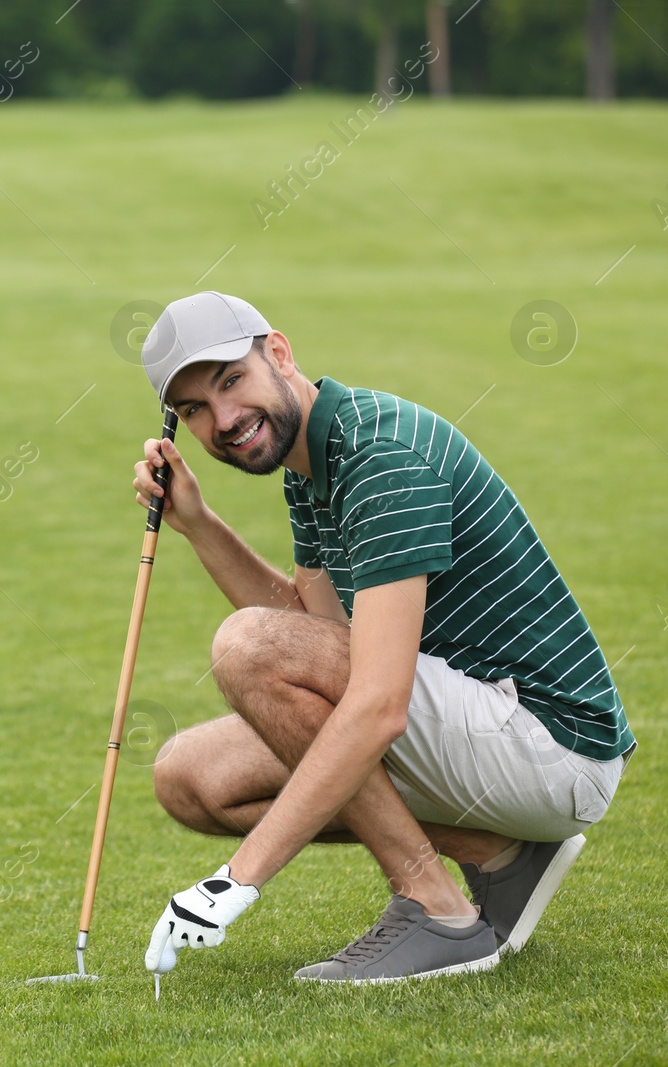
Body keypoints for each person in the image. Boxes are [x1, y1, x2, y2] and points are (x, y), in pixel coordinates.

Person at [132, 292, 634, 983]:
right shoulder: (312, 465)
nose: (223, 420)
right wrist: (199, 524)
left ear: (278, 353)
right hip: (485, 729)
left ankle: (438, 908)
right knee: (192, 776)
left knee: (245, 646)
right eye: (193, 409)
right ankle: (500, 854)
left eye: (230, 381)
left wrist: (235, 881)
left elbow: (373, 703)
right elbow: (315, 635)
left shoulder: (381, 454)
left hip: (554, 747)